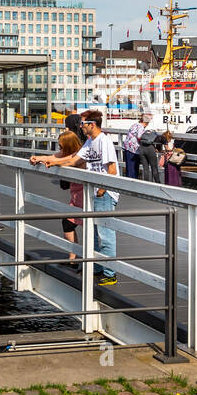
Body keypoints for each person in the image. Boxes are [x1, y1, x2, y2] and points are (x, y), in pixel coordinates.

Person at [30, 109, 119, 285]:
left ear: (91, 125)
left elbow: (112, 170)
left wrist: (102, 189)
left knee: (105, 234)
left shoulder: (104, 141)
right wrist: (46, 160)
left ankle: (110, 273)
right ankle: (97, 268)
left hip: (103, 193)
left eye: (83, 123)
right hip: (92, 193)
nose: (80, 126)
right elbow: (72, 160)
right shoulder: (89, 142)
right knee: (93, 233)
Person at [55, 130, 85, 260]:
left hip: (83, 194)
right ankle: (73, 257)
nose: (60, 148)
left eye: (61, 146)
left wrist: (55, 163)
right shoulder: (73, 153)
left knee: (69, 222)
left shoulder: (78, 155)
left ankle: (74, 258)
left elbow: (70, 162)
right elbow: (55, 158)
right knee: (70, 222)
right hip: (76, 194)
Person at [123, 113, 149, 179]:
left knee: (129, 168)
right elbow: (140, 137)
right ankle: (132, 184)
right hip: (133, 150)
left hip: (127, 147)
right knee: (133, 169)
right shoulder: (141, 127)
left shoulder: (134, 125)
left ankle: (129, 183)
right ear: (146, 123)